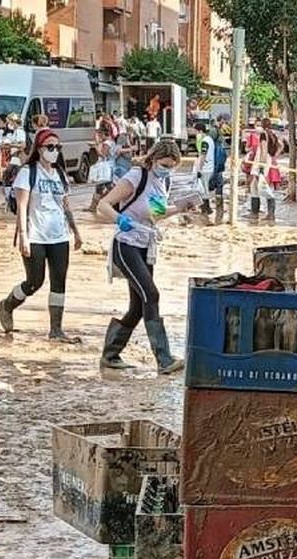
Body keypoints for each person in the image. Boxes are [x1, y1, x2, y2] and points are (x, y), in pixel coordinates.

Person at [96, 137, 198, 378]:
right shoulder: (135, 176)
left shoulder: (162, 182)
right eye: (164, 164)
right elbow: (104, 204)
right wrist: (119, 219)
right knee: (151, 294)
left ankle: (110, 355)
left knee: (138, 306)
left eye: (171, 166)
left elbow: (155, 213)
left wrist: (182, 207)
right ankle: (164, 359)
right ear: (152, 159)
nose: (167, 169)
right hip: (126, 244)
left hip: (145, 246)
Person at [0, 128, 84, 340]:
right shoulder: (28, 172)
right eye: (50, 147)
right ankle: (7, 304)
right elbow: (22, 206)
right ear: (39, 148)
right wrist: (23, 236)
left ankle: (56, 330)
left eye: (57, 147)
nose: (54, 151)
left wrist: (76, 231)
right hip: (35, 235)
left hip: (59, 235)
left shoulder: (61, 175)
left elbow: (65, 205)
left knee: (59, 282)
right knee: (35, 281)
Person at [192, 121, 216, 221]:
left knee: (203, 189)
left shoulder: (204, 141)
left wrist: (199, 169)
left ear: (200, 131)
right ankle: (206, 208)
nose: (196, 134)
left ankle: (205, 209)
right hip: (210, 167)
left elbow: (202, 155)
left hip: (205, 168)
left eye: (196, 131)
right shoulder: (210, 139)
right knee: (205, 188)